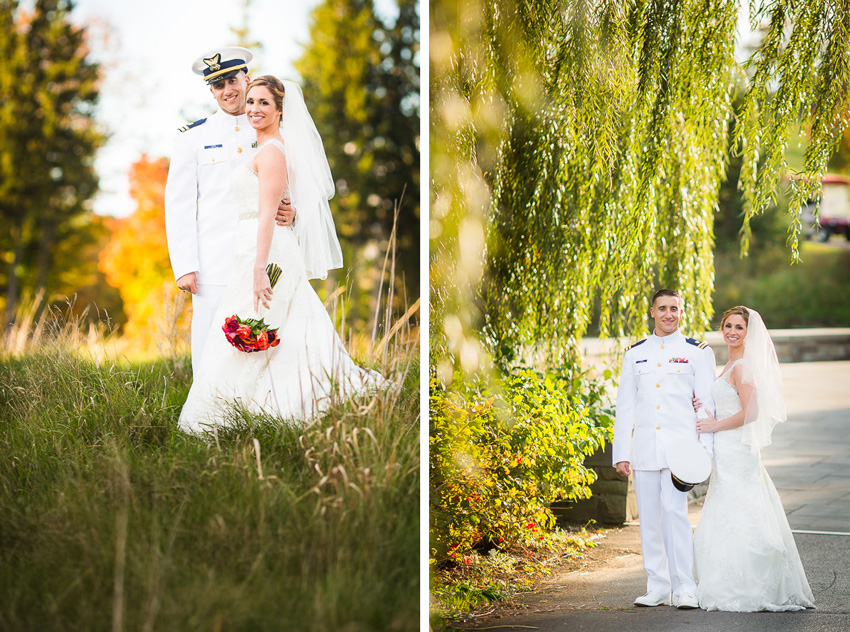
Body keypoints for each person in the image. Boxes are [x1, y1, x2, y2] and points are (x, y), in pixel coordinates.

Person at [177, 75, 385, 434]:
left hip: (267, 253)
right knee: (284, 326)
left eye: (264, 103)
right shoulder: (262, 145)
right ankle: (260, 403)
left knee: (260, 323)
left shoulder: (272, 151)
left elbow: (266, 214)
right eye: (252, 102)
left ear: (280, 110)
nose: (254, 109)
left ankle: (252, 411)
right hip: (255, 249)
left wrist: (259, 269)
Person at [164, 46, 296, 375]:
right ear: (211, 90)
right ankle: (207, 417)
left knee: (268, 337)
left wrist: (294, 212)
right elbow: (178, 204)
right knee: (210, 342)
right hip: (213, 263)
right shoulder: (193, 138)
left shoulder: (271, 130)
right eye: (218, 85)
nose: (228, 90)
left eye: (232, 81)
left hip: (266, 258)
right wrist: (184, 265)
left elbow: (292, 185)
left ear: (246, 79)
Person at [692, 306, 815, 611]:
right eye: (728, 326)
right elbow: (728, 403)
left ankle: (748, 585)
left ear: (749, 333)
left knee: (741, 508)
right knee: (729, 508)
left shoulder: (743, 366)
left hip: (737, 448)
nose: (732, 332)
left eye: (739, 328)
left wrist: (715, 425)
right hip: (727, 448)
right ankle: (728, 577)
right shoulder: (730, 363)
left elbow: (752, 412)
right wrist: (704, 407)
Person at [612, 289, 716, 609]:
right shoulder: (635, 354)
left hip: (680, 453)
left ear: (681, 312)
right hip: (644, 450)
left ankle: (686, 587)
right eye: (663, 308)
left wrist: (705, 450)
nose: (669, 314)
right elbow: (625, 407)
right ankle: (657, 585)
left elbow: (705, 405)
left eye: (674, 308)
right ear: (652, 312)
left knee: (675, 517)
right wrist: (622, 453)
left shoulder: (697, 352)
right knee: (650, 521)